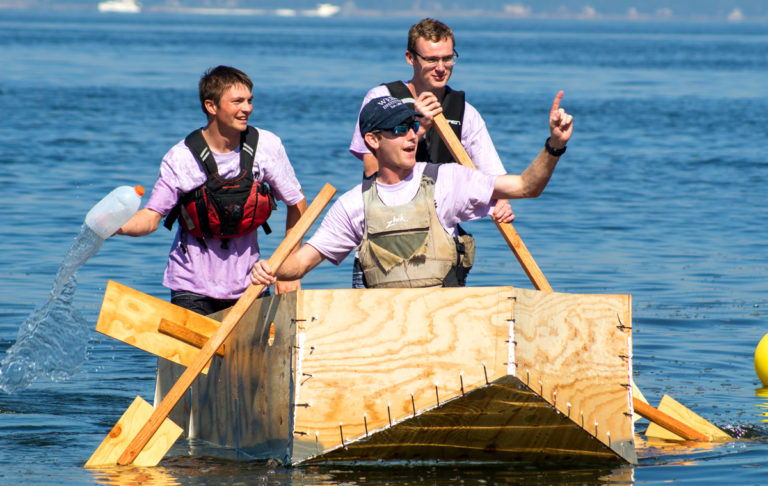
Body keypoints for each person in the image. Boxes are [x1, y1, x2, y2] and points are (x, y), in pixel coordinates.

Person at [251, 93, 572, 289]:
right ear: (373, 140)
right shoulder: (353, 205)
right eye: (398, 129)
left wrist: (554, 145)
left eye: (413, 127)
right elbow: (302, 263)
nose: (411, 136)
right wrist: (271, 268)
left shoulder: (448, 181)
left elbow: (525, 187)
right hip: (386, 336)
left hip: (443, 327)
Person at [118, 65, 307, 315]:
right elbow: (151, 218)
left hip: (252, 284)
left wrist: (288, 268)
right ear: (211, 106)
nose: (247, 108)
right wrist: (114, 226)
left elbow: (298, 204)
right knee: (196, 356)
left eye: (250, 100)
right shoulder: (181, 158)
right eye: (237, 101)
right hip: (191, 288)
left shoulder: (267, 147)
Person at [348, 18, 515, 286]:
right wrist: (420, 126)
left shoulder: (465, 114)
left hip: (441, 248)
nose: (441, 68)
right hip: (385, 240)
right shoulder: (381, 99)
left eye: (448, 59)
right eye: (431, 59)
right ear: (410, 58)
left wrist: (501, 203)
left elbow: (495, 180)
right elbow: (371, 169)